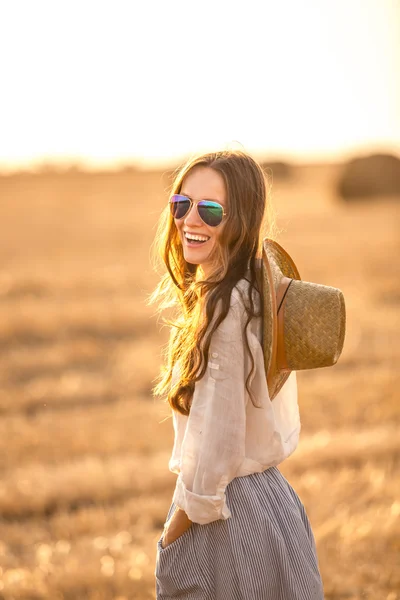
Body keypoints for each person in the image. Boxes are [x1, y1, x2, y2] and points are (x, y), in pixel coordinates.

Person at [148, 150, 325, 599]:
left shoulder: (224, 311)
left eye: (210, 210)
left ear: (241, 220)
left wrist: (171, 536)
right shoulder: (254, 293)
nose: (191, 219)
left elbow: (213, 450)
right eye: (180, 204)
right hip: (273, 504)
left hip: (227, 516)